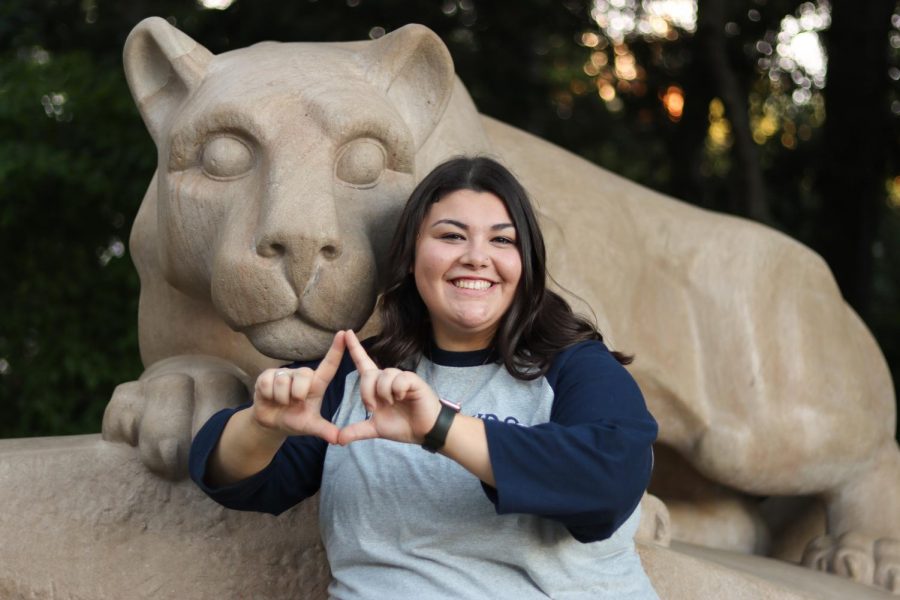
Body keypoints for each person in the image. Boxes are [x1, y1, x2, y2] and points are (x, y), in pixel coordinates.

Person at [189, 156, 659, 599]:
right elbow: (234, 479)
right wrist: (262, 425)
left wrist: (440, 428)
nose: (477, 257)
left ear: (526, 265)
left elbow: (611, 478)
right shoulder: (356, 373)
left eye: (501, 240)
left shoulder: (574, 366)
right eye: (451, 236)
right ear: (412, 256)